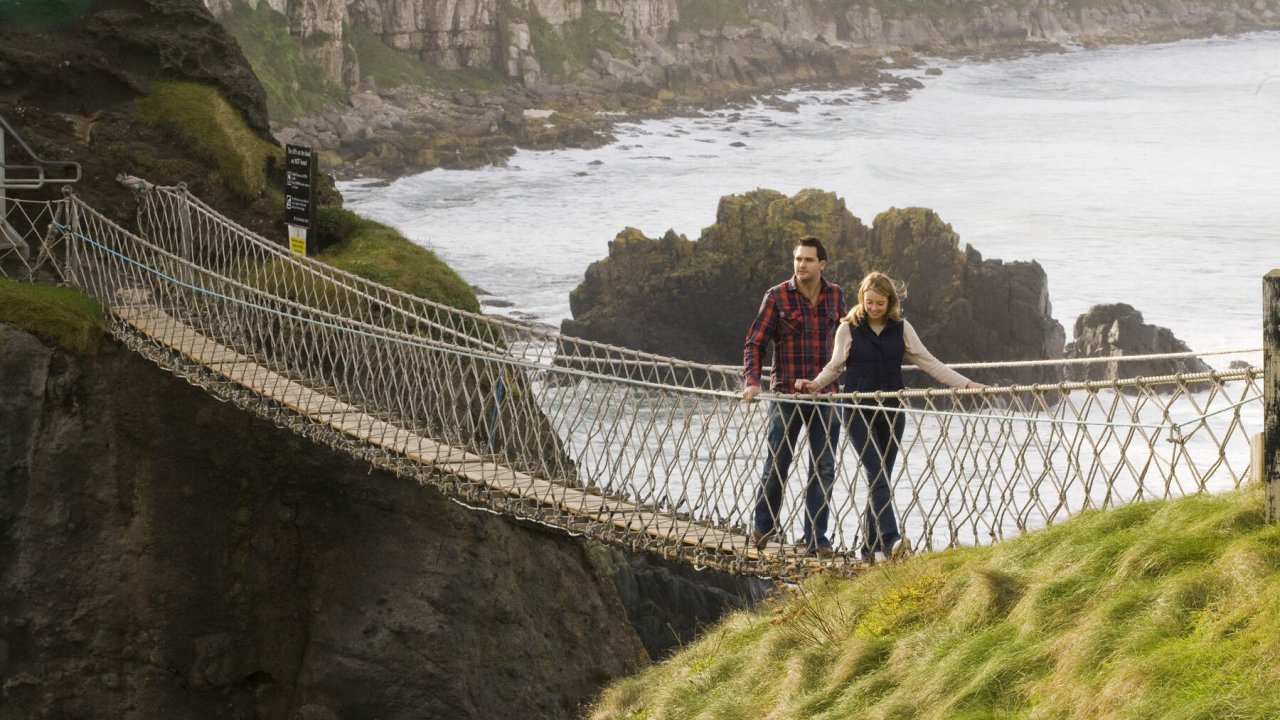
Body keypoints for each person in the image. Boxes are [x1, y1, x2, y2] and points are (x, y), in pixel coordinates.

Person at [796, 271, 985, 564]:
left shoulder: (902, 328)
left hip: (893, 411)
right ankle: (890, 539)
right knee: (877, 472)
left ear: (890, 302)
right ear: (862, 299)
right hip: (858, 410)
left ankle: (870, 550)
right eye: (869, 302)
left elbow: (929, 362)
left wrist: (967, 384)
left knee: (881, 478)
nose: (873, 308)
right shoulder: (848, 329)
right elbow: (834, 367)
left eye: (879, 304)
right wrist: (814, 385)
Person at [743, 237, 845, 558]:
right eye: (798, 259)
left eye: (808, 260)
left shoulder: (836, 296)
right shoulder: (776, 297)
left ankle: (817, 539)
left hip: (826, 396)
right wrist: (752, 381)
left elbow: (846, 345)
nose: (801, 265)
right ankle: (764, 524)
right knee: (777, 463)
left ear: (822, 264)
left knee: (823, 468)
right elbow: (754, 343)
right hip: (786, 395)